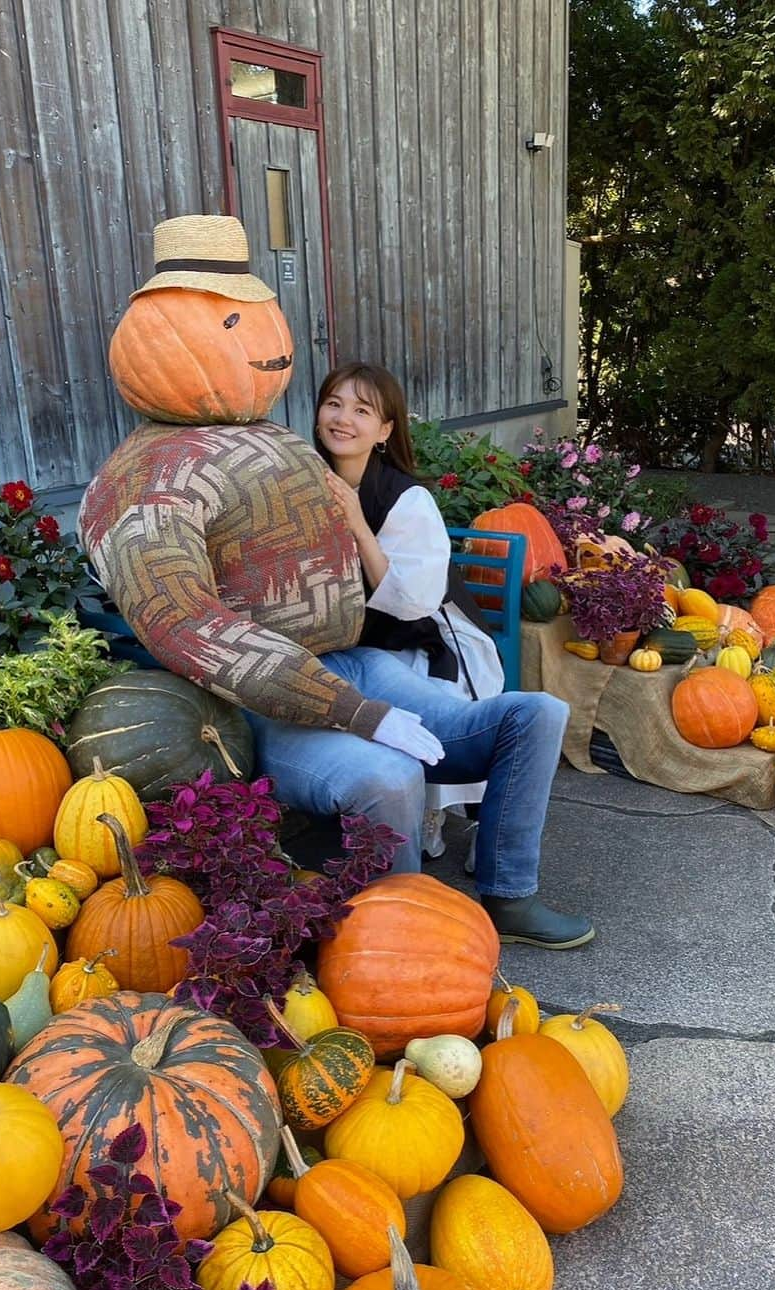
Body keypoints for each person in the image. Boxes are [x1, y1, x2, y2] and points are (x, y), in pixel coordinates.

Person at [82, 213, 591, 949]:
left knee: (536, 714)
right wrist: (353, 712)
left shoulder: (279, 441)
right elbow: (183, 619)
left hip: (363, 661)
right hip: (266, 703)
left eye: (263, 319)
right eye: (232, 324)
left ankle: (508, 894)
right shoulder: (145, 480)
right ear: (159, 339)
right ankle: (402, 944)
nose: (268, 345)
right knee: (388, 777)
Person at [315, 363, 502, 866]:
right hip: (351, 636)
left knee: (425, 703)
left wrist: (355, 520)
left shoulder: (407, 498)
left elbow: (413, 599)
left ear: (385, 430)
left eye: (362, 410)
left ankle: (447, 812)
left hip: (426, 633)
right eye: (333, 404)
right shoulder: (307, 480)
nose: (342, 419)